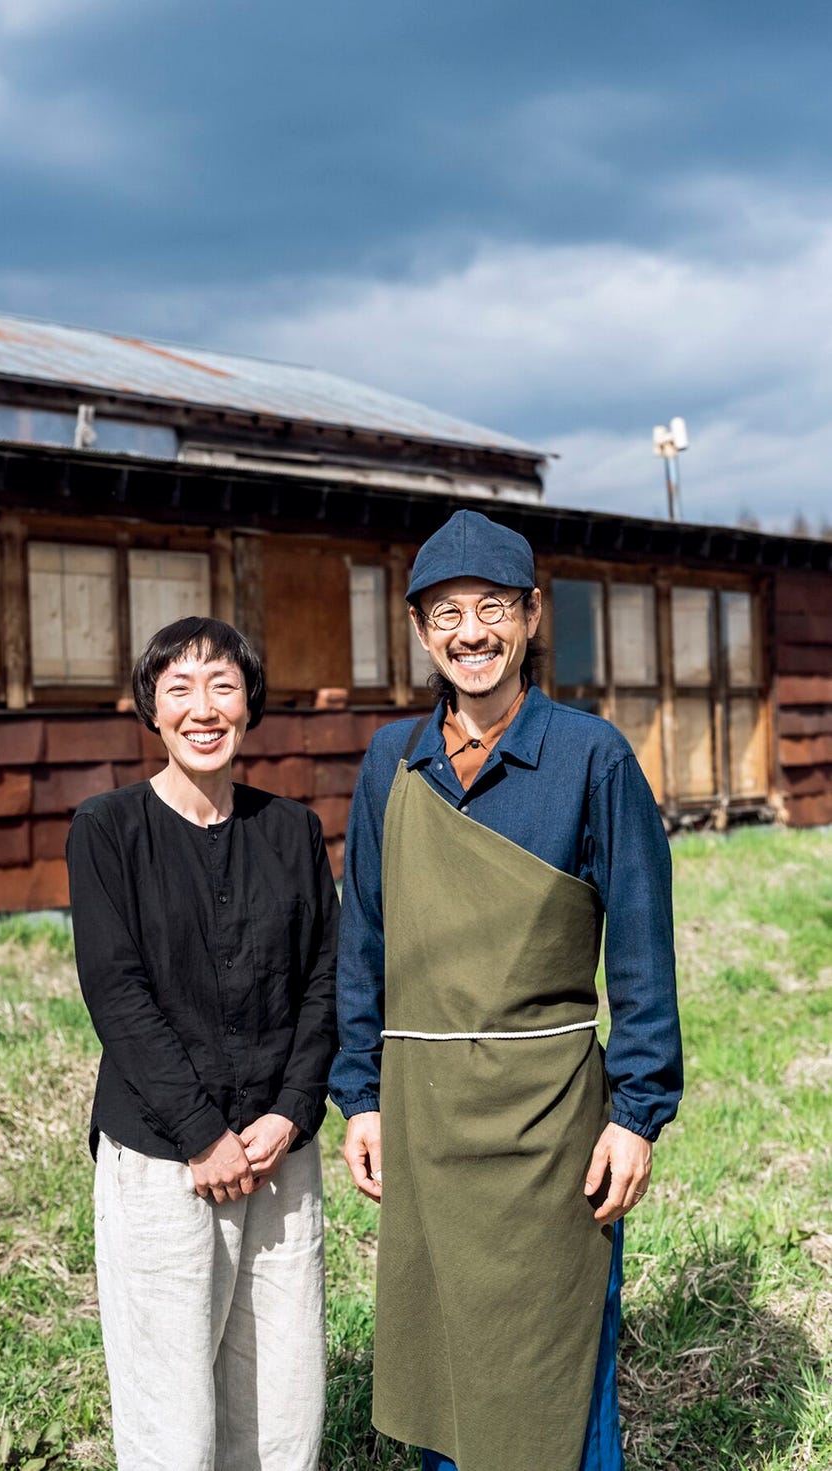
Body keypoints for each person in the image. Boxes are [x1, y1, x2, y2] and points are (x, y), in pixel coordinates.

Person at [329, 510, 683, 1471]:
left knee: (556, 1367)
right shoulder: (391, 762)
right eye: (447, 612)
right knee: (450, 1365)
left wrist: (638, 1113)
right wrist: (358, 1095)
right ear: (419, 631)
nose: (471, 632)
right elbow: (361, 933)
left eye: (492, 608)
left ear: (531, 617)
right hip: (427, 1115)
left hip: (553, 1118)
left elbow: (643, 947)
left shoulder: (591, 755)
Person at [67, 616, 339, 1471]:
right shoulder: (108, 829)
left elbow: (326, 982)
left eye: (222, 685)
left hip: (277, 1155)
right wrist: (203, 1134)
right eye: (179, 688)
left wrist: (291, 1114)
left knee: (283, 1403)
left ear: (249, 703)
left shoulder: (291, 831)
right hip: (164, 1160)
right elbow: (118, 993)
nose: (203, 707)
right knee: (173, 1415)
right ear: (151, 706)